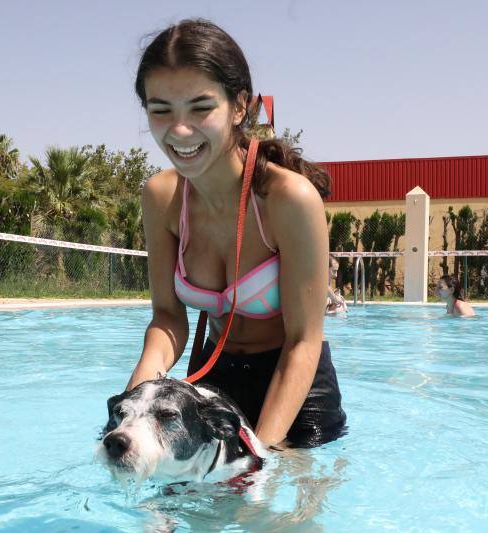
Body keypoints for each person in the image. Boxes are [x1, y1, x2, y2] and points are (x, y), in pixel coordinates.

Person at [125, 19, 346, 448]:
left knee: (284, 510)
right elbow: (168, 319)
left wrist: (257, 456)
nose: (180, 130)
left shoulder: (288, 199)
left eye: (201, 107)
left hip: (295, 385)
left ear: (240, 106)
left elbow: (304, 341)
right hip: (215, 376)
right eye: (161, 110)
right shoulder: (160, 197)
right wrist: (135, 404)